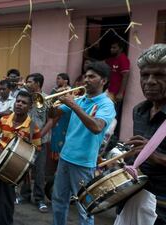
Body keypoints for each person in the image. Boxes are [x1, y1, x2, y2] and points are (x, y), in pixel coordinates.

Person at [50, 61, 116, 225]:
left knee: (85, 208)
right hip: (65, 157)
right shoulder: (80, 99)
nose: (86, 80)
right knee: (58, 201)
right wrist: (54, 99)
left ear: (103, 80)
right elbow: (53, 114)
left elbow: (96, 127)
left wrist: (72, 104)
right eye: (86, 76)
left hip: (84, 163)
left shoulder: (106, 104)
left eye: (92, 76)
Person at [114, 44, 166, 225]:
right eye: (145, 75)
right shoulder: (139, 111)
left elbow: (152, 155)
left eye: (159, 75)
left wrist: (157, 157)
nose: (150, 81)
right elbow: (141, 154)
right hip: (134, 199)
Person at [0, 90, 41, 225]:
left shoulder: (33, 128)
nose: (19, 104)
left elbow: (36, 150)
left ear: (30, 107)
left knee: (5, 203)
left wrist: (25, 168)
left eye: (24, 103)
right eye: (18, 101)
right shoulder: (4, 120)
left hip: (12, 170)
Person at [24, 73, 53, 213]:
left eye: (29, 82)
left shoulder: (48, 98)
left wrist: (39, 136)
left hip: (41, 140)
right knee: (24, 168)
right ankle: (24, 195)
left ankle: (39, 199)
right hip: (24, 138)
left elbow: (51, 121)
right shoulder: (25, 97)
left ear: (38, 83)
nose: (27, 84)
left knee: (40, 171)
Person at [105, 40, 130, 144]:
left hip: (116, 94)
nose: (112, 49)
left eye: (114, 48)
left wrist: (120, 93)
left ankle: (110, 140)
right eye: (111, 47)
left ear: (120, 48)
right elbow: (102, 63)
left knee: (113, 117)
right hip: (109, 92)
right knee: (107, 114)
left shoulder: (123, 59)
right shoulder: (113, 60)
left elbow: (125, 76)